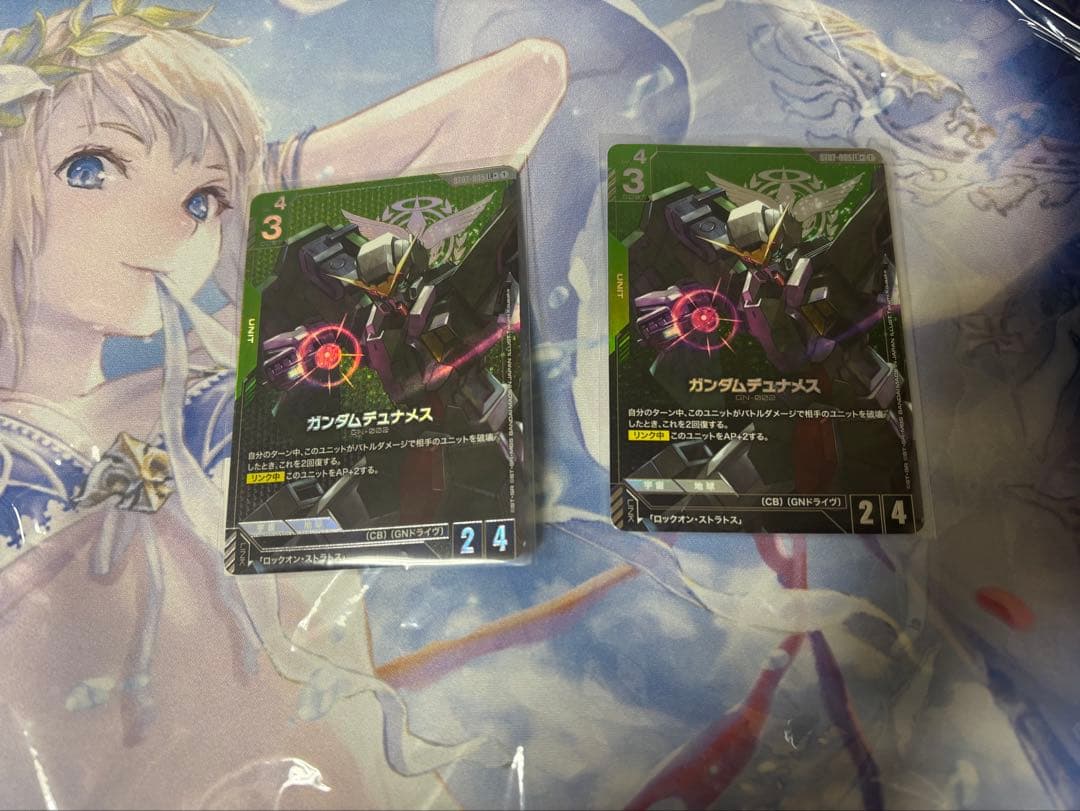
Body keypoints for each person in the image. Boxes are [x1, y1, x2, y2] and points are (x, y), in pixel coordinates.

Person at [0, 4, 567, 806]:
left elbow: (523, 82)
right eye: (91, 167)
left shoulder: (221, 384)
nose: (173, 226)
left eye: (201, 200)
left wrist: (263, 202)